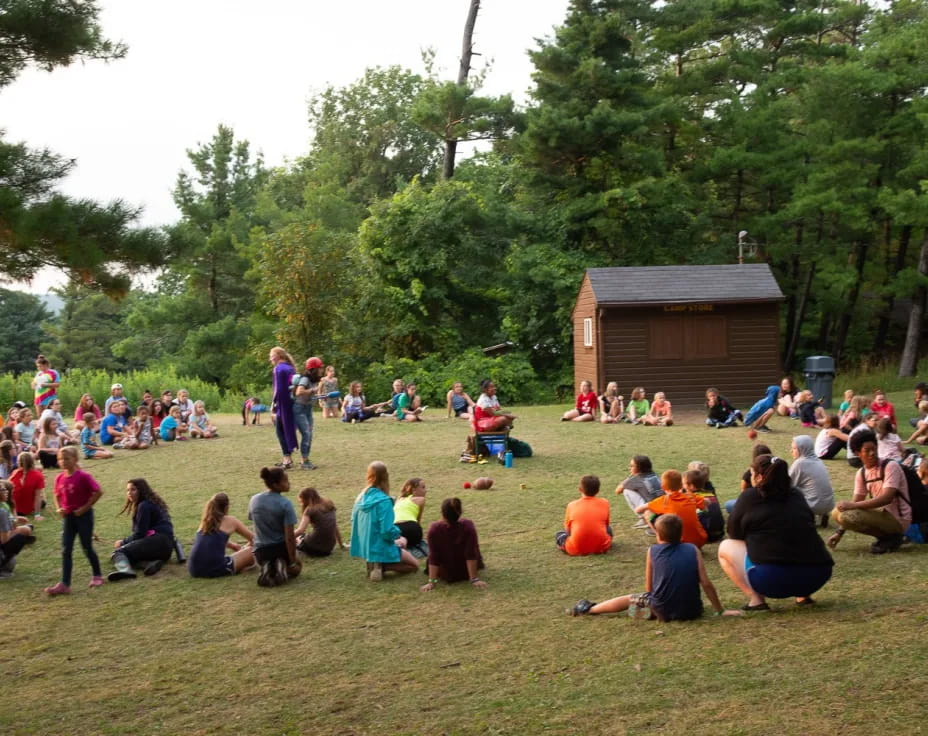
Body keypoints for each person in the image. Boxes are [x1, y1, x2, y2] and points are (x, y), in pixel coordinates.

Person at [719, 454, 834, 609]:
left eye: (752, 475)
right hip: (817, 574)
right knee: (798, 537)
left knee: (725, 546)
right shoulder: (797, 495)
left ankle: (756, 600)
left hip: (772, 579)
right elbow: (809, 523)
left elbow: (733, 532)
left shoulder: (750, 496)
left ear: (759, 477)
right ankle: (803, 596)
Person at [571, 514, 740, 619]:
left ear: (658, 535)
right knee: (638, 607)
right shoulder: (692, 549)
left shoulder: (653, 551)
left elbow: (649, 589)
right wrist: (720, 610)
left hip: (661, 611)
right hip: (693, 611)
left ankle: (590, 610)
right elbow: (706, 583)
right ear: (681, 534)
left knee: (630, 600)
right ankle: (637, 613)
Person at [828, 429, 912, 554]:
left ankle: (893, 537)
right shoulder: (861, 473)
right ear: (858, 453)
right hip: (881, 515)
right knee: (837, 512)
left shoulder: (890, 466)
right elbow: (856, 501)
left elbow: (886, 498)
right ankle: (887, 538)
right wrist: (839, 533)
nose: (872, 453)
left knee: (848, 515)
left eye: (874, 449)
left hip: (898, 519)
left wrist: (853, 505)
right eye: (867, 451)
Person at [45, 446, 104, 595]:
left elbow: (98, 492)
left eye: (66, 458)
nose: (63, 462)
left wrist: (84, 508)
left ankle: (97, 574)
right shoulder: (59, 478)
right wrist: (59, 508)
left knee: (86, 546)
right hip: (69, 518)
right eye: (60, 459)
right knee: (66, 550)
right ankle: (65, 584)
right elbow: (56, 495)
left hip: (83, 517)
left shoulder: (83, 477)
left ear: (75, 460)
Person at [349, 461, 418, 581]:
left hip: (365, 546)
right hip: (380, 546)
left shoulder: (361, 497)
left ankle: (377, 564)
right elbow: (387, 531)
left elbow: (353, 520)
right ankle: (383, 566)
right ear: (386, 477)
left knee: (401, 542)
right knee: (414, 565)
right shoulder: (384, 501)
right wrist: (398, 535)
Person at [108, 479, 175, 581]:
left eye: (133, 489)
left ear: (141, 490)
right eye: (127, 490)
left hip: (157, 542)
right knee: (131, 554)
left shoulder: (144, 506)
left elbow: (140, 534)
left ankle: (125, 570)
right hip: (167, 550)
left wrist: (123, 542)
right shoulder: (154, 503)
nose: (129, 493)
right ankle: (149, 563)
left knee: (118, 553)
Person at [249, 467, 301, 586]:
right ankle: (282, 567)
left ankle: (267, 567)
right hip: (280, 548)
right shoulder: (285, 504)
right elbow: (289, 537)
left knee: (268, 557)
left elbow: (255, 524)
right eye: (286, 481)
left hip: (260, 551)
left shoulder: (254, 500)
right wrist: (293, 561)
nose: (289, 483)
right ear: (276, 485)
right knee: (298, 569)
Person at [420, 497, 486, 591]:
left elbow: (434, 557)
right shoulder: (468, 526)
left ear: (442, 513)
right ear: (460, 512)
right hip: (464, 572)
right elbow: (470, 553)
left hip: (445, 573)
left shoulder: (434, 529)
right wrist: (474, 579)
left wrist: (432, 582)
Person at [188, 493, 255, 577]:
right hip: (214, 569)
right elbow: (255, 539)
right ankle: (240, 568)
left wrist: (233, 546)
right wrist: (245, 548)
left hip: (194, 569)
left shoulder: (205, 521)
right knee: (251, 552)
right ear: (226, 508)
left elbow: (212, 539)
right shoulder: (231, 520)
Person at [635, 470, 707, 547]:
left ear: (662, 486)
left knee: (648, 512)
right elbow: (706, 502)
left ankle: (661, 538)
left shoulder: (664, 500)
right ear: (681, 485)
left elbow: (638, 510)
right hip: (699, 540)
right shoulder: (690, 496)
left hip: (679, 543)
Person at [556, 475, 612, 555]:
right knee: (608, 529)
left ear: (580, 489)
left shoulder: (572, 505)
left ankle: (565, 546)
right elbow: (606, 524)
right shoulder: (605, 503)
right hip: (601, 547)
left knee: (560, 534)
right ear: (598, 490)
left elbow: (568, 530)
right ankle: (600, 543)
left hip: (576, 548)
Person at [789, 435, 835, 526]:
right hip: (829, 505)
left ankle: (806, 516)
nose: (791, 451)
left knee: (788, 491)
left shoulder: (800, 463)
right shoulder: (818, 461)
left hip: (813, 505)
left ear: (802, 449)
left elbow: (787, 484)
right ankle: (821, 515)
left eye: (794, 449)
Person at [294, 486, 345, 557]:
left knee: (296, 537)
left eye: (302, 501)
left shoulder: (310, 509)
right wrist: (341, 544)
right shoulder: (329, 504)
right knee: (301, 536)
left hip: (315, 549)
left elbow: (300, 530)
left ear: (306, 499)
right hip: (329, 548)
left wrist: (285, 538)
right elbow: (335, 526)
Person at [269, 346, 298, 469]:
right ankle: (287, 457)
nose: (270, 358)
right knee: (286, 429)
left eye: (271, 355)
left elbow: (279, 389)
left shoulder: (278, 369)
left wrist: (274, 404)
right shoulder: (290, 368)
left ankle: (287, 458)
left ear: (278, 356)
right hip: (290, 402)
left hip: (282, 403)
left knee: (280, 431)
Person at [0, 479, 35, 578]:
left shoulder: (4, 506)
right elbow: (4, 539)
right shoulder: (2, 511)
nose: (6, 492)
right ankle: (2, 570)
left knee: (23, 532)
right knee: (20, 537)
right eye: (3, 490)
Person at [614, 455, 663, 527]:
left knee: (626, 490)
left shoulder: (635, 480)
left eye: (632, 466)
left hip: (653, 512)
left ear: (639, 468)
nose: (629, 468)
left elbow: (617, 491)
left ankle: (644, 519)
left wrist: (629, 478)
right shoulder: (654, 474)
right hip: (664, 509)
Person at [292, 357, 323, 468]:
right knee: (306, 433)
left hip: (308, 409)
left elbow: (310, 394)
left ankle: (305, 459)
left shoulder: (315, 379)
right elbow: (298, 392)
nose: (321, 369)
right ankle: (304, 461)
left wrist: (317, 396)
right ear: (314, 368)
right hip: (299, 409)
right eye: (320, 368)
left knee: (309, 434)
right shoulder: (305, 379)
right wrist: (312, 391)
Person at [724, 443, 773, 514]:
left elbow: (743, 496)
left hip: (755, 507)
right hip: (772, 505)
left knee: (728, 504)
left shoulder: (749, 475)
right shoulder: (776, 470)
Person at [392, 478, 427, 552]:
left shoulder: (399, 500)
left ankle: (400, 543)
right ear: (414, 490)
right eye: (423, 487)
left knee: (399, 539)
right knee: (410, 537)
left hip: (396, 529)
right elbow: (418, 520)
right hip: (413, 528)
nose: (426, 490)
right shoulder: (421, 499)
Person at [10, 452, 45, 522]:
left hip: (13, 508)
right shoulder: (38, 475)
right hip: (26, 509)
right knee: (42, 499)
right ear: (32, 462)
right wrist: (37, 515)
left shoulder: (14, 473)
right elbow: (37, 497)